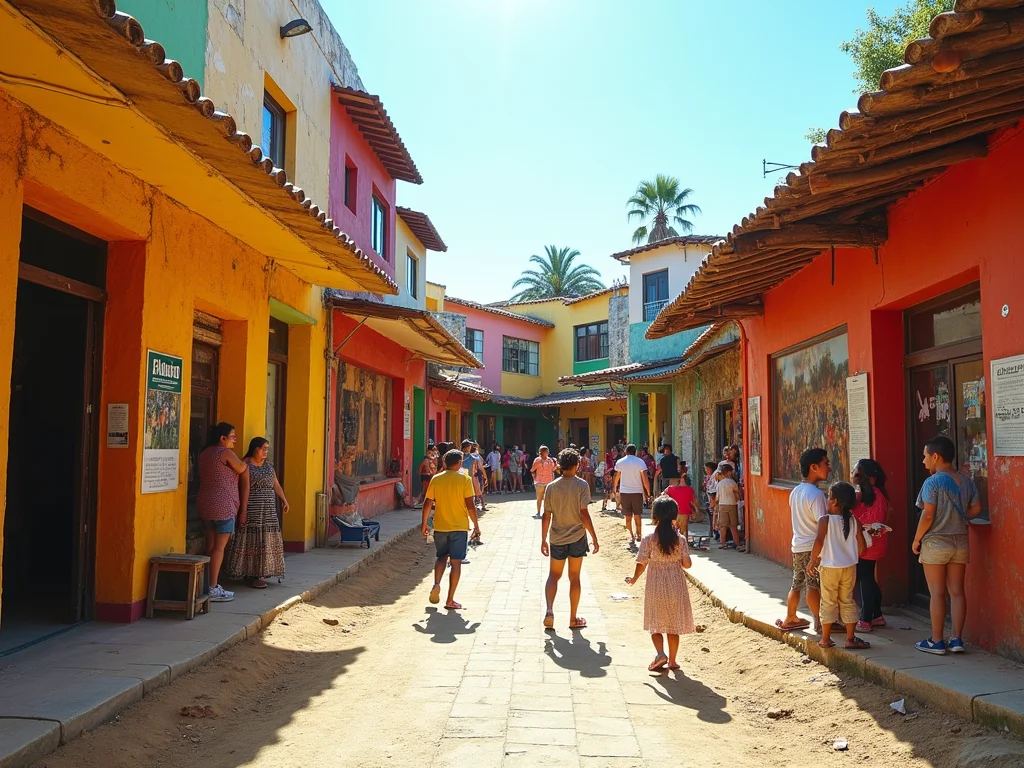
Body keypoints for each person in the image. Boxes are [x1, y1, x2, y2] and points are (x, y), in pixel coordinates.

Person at [912, 435, 982, 655]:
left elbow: (928, 514)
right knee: (957, 592)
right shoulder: (966, 480)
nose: (923, 461)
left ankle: (936, 641)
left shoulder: (932, 482)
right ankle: (957, 639)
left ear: (935, 456)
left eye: (925, 456)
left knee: (937, 593)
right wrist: (959, 517)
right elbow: (976, 508)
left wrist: (917, 539)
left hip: (936, 542)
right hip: (960, 541)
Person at [625, 495, 695, 671]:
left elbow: (641, 563)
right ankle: (673, 661)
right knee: (673, 625)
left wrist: (633, 579)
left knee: (655, 622)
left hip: (655, 583)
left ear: (654, 515)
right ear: (674, 515)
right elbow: (687, 564)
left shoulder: (649, 539)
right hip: (676, 584)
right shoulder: (680, 539)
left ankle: (660, 654)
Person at [541, 448, 600, 630]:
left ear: (559, 465)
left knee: (553, 575)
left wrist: (543, 539)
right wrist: (594, 536)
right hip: (577, 537)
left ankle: (549, 610)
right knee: (574, 577)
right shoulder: (582, 485)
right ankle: (573, 618)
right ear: (577, 465)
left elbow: (546, 515)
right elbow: (584, 514)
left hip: (557, 537)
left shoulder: (551, 487)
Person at [808, 481, 870, 650]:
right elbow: (863, 547)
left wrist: (813, 560)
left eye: (829, 497)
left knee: (828, 601)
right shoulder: (854, 521)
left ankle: (825, 639)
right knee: (847, 600)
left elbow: (819, 542)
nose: (828, 501)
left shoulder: (825, 520)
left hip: (829, 567)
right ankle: (850, 638)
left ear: (835, 501)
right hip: (849, 567)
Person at [776, 448, 830, 633]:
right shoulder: (816, 495)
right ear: (814, 467)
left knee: (797, 583)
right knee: (813, 584)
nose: (829, 467)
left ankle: (790, 617)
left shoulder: (796, 491)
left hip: (798, 545)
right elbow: (823, 524)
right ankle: (819, 622)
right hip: (813, 547)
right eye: (826, 463)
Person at [223, 437, 288, 588]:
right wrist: (243, 511)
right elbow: (245, 488)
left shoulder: (268, 466)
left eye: (267, 449)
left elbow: (276, 484)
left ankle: (261, 572)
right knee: (252, 540)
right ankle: (252, 574)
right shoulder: (245, 465)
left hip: (269, 510)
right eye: (263, 448)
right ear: (255, 448)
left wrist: (284, 500)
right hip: (254, 508)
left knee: (266, 540)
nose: (265, 451)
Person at [421, 449, 480, 611]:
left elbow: (427, 503)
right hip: (459, 527)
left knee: (441, 557)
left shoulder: (436, 479)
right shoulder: (465, 479)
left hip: (440, 526)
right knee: (456, 562)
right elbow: (470, 505)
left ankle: (436, 584)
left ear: (445, 462)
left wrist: (424, 523)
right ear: (460, 463)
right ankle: (450, 599)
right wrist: (476, 525)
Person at [196, 423, 249, 602]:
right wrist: (245, 463)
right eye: (232, 436)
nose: (235, 440)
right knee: (219, 548)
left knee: (210, 546)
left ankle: (204, 586)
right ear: (222, 438)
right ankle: (212, 587)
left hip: (205, 503)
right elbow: (241, 467)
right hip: (224, 505)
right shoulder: (224, 452)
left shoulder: (205, 453)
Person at [852, 459, 890, 632]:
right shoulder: (868, 495)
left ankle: (866, 619)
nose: (853, 475)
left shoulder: (874, 496)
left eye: (856, 473)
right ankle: (876, 615)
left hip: (868, 542)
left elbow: (871, 521)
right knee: (867, 577)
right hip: (869, 541)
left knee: (865, 578)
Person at [614, 444, 651, 550]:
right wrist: (648, 492)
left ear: (626, 451)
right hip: (637, 492)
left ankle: (631, 536)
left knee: (628, 516)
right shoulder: (640, 462)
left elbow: (617, 476)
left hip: (624, 492)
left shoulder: (620, 462)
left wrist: (614, 488)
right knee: (637, 515)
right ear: (635, 452)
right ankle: (639, 534)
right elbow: (645, 479)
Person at [714, 463, 741, 551]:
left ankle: (723, 543)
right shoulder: (732, 482)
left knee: (723, 526)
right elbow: (737, 493)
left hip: (722, 505)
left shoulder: (720, 484)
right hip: (732, 504)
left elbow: (717, 497)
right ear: (729, 472)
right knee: (733, 525)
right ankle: (737, 543)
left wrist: (716, 507)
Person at [530, 445, 557, 519]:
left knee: (539, 498)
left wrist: (534, 475)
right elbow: (553, 469)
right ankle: (547, 512)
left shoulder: (537, 460)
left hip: (539, 482)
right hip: (549, 482)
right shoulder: (550, 460)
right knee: (547, 498)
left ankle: (538, 513)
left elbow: (532, 469)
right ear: (547, 452)